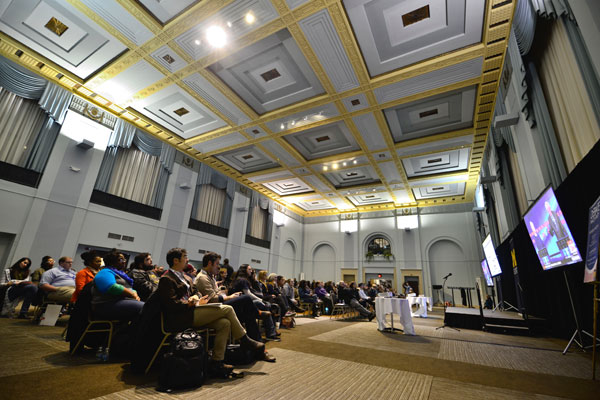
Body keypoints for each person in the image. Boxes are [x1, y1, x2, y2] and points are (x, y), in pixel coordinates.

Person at [157, 248, 264, 374]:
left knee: (225, 323)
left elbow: (195, 291)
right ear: (175, 260)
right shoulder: (166, 278)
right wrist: (189, 303)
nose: (188, 260)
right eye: (185, 257)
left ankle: (217, 363)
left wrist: (197, 297)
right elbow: (171, 304)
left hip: (193, 311)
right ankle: (244, 339)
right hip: (181, 317)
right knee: (228, 308)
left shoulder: (186, 277)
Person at [194, 252, 275, 362]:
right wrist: (230, 296)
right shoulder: (202, 277)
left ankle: (260, 351)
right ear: (210, 263)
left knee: (248, 315)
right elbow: (213, 299)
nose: (219, 267)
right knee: (246, 299)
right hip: (213, 309)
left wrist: (225, 294)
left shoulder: (210, 277)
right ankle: (258, 315)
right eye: (217, 264)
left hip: (220, 307)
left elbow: (219, 294)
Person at [231, 265, 280, 341]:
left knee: (268, 305)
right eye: (249, 269)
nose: (251, 271)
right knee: (265, 305)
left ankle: (271, 331)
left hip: (241, 304)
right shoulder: (242, 280)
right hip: (241, 306)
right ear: (244, 270)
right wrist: (261, 300)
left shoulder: (242, 279)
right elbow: (248, 294)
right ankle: (270, 333)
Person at [92, 251, 143, 321]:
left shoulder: (121, 274)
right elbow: (111, 287)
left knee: (148, 308)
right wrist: (132, 294)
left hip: (119, 302)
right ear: (112, 261)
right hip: (105, 304)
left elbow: (128, 287)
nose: (124, 261)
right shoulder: (105, 272)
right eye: (121, 259)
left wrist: (135, 293)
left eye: (124, 259)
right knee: (144, 308)